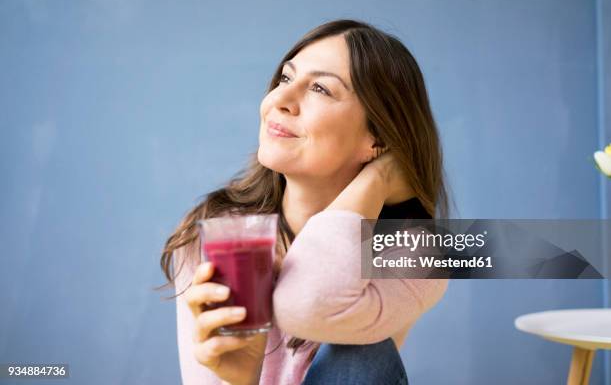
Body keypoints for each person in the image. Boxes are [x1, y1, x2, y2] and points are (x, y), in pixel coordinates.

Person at [159, 19, 450, 385]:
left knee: (360, 352)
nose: (278, 101)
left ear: (377, 140)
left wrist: (382, 176)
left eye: (319, 89)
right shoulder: (218, 231)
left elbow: (306, 305)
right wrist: (241, 381)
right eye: (284, 79)